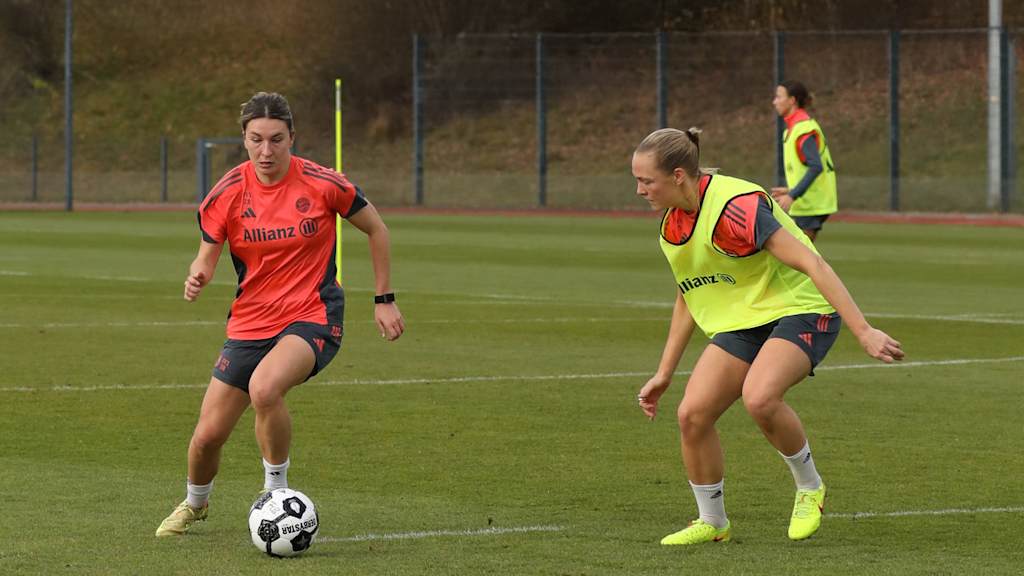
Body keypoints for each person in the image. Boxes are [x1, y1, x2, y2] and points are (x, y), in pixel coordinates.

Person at [631, 127, 902, 545]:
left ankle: (810, 488)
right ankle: (713, 521)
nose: (639, 190)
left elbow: (814, 265)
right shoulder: (673, 225)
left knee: (760, 397)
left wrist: (863, 330)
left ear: (679, 175)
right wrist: (664, 373)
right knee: (692, 414)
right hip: (746, 319)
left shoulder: (736, 209)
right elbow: (689, 294)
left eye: (647, 181)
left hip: (803, 308)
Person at [156, 92, 405, 537]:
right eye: (256, 140)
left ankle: (277, 493)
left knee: (265, 388)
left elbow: (377, 228)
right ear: (244, 140)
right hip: (250, 321)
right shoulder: (228, 192)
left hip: (312, 314)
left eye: (276, 140)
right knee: (207, 436)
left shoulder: (322, 182)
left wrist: (383, 299)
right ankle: (195, 504)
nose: (266, 151)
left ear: (292, 138)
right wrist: (198, 274)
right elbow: (206, 258)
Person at [770, 81, 837, 242]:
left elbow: (815, 167)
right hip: (808, 202)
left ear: (792, 100)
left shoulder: (803, 129)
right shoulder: (793, 129)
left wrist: (793, 194)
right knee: (800, 258)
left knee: (801, 259)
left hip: (812, 204)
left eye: (779, 97)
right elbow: (807, 167)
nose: (774, 101)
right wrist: (790, 189)